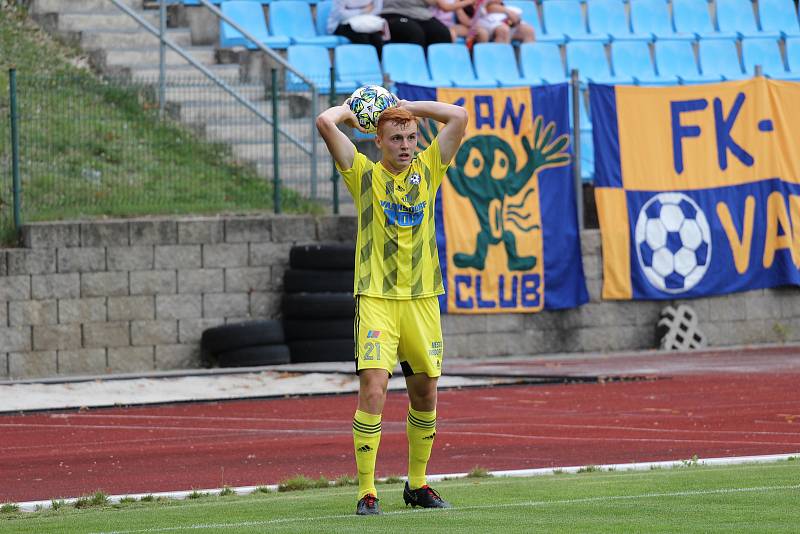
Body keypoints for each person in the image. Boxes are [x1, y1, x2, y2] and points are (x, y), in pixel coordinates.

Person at [316, 97, 468, 515]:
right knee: (374, 389)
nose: (406, 145)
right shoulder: (362, 174)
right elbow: (325, 123)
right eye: (396, 138)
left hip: (422, 300)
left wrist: (408, 105)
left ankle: (417, 485)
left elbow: (459, 115)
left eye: (411, 137)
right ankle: (367, 491)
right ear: (377, 140)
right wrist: (350, 110)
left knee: (426, 394)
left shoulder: (429, 167)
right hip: (377, 299)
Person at [381, 0, 453, 48]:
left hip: (421, 14)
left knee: (442, 33)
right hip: (394, 13)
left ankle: (440, 68)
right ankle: (412, 67)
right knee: (414, 31)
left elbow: (433, 2)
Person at [458, 0, 534, 45]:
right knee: (503, 30)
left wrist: (509, 13)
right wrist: (507, 12)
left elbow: (495, 3)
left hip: (497, 17)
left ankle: (529, 66)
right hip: (479, 21)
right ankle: (499, 65)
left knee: (528, 30)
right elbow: (486, 8)